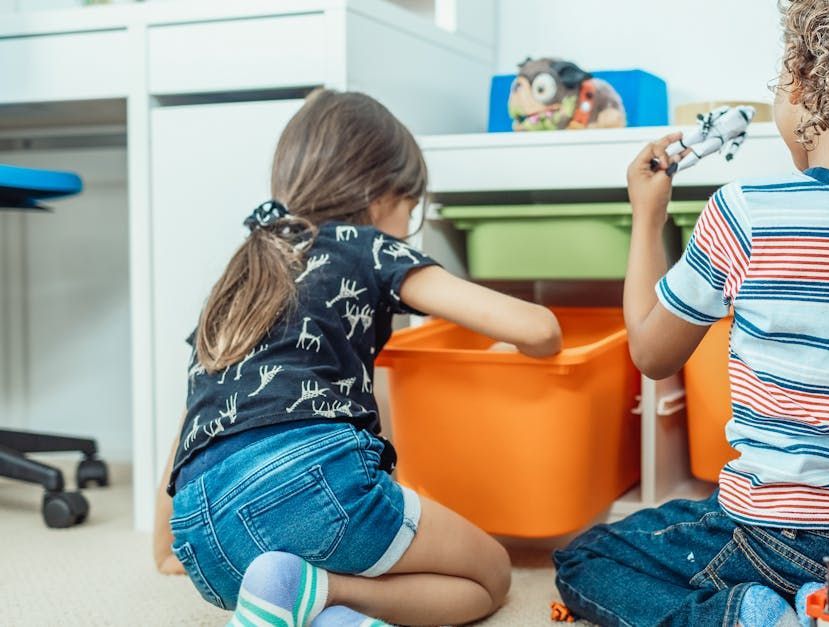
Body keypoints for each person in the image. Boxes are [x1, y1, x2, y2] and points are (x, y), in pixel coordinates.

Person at [553, 1, 829, 624]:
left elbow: (652, 355)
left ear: (799, 81)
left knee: (586, 560)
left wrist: (648, 215)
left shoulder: (748, 213)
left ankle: (751, 617)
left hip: (785, 535)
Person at [152, 89, 562, 627]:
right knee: (489, 575)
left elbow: (191, 420)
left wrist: (165, 547)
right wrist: (522, 343)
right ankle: (325, 590)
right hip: (315, 483)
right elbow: (540, 328)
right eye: (410, 210)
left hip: (205, 541)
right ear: (378, 195)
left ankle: (301, 604)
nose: (406, 226)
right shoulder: (364, 244)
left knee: (340, 544)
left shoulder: (241, 275)